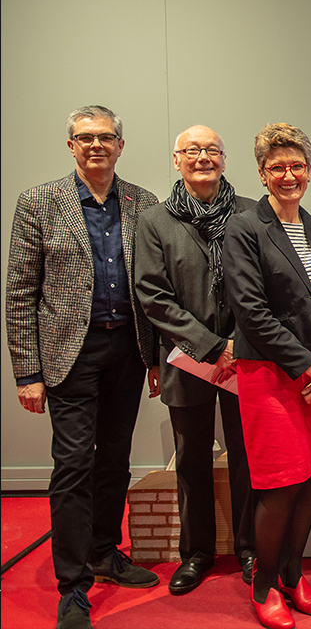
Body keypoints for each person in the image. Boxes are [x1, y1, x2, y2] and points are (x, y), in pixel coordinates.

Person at [5, 105, 161, 629]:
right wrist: (27, 373)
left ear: (121, 145)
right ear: (71, 145)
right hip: (70, 354)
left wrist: (155, 357)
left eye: (106, 137)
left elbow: (154, 289)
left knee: (115, 459)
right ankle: (73, 586)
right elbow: (20, 293)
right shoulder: (39, 202)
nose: (97, 145)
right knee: (73, 465)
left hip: (128, 352)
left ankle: (103, 551)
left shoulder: (143, 203)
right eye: (86, 137)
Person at [224, 123, 311, 629]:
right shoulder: (244, 228)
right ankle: (263, 585)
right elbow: (251, 312)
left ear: (309, 170)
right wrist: (309, 366)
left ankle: (293, 575)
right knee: (280, 484)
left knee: (310, 478)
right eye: (276, 167)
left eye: (296, 165)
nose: (288, 175)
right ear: (261, 173)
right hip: (271, 373)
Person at [135, 125, 257, 594]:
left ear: (224, 159)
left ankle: (249, 548)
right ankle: (197, 553)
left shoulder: (250, 213)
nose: (202, 157)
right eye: (192, 150)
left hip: (245, 357)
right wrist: (210, 345)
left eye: (211, 150)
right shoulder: (155, 221)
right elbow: (153, 294)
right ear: (176, 159)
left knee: (247, 457)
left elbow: (266, 285)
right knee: (191, 459)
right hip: (186, 358)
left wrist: (238, 344)